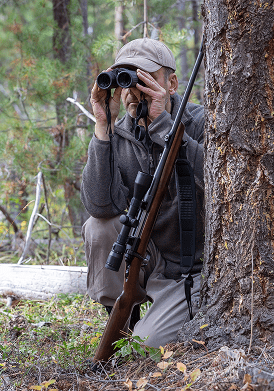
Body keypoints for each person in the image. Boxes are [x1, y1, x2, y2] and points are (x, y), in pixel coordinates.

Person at [81, 38, 205, 348]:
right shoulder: (119, 131)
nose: (135, 90)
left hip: (188, 270)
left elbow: (219, 178)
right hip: (146, 257)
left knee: (145, 348)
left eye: (145, 78)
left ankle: (144, 327)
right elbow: (100, 205)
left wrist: (164, 126)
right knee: (98, 226)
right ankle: (122, 315)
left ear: (171, 83)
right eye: (128, 79)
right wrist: (103, 128)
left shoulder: (199, 122)